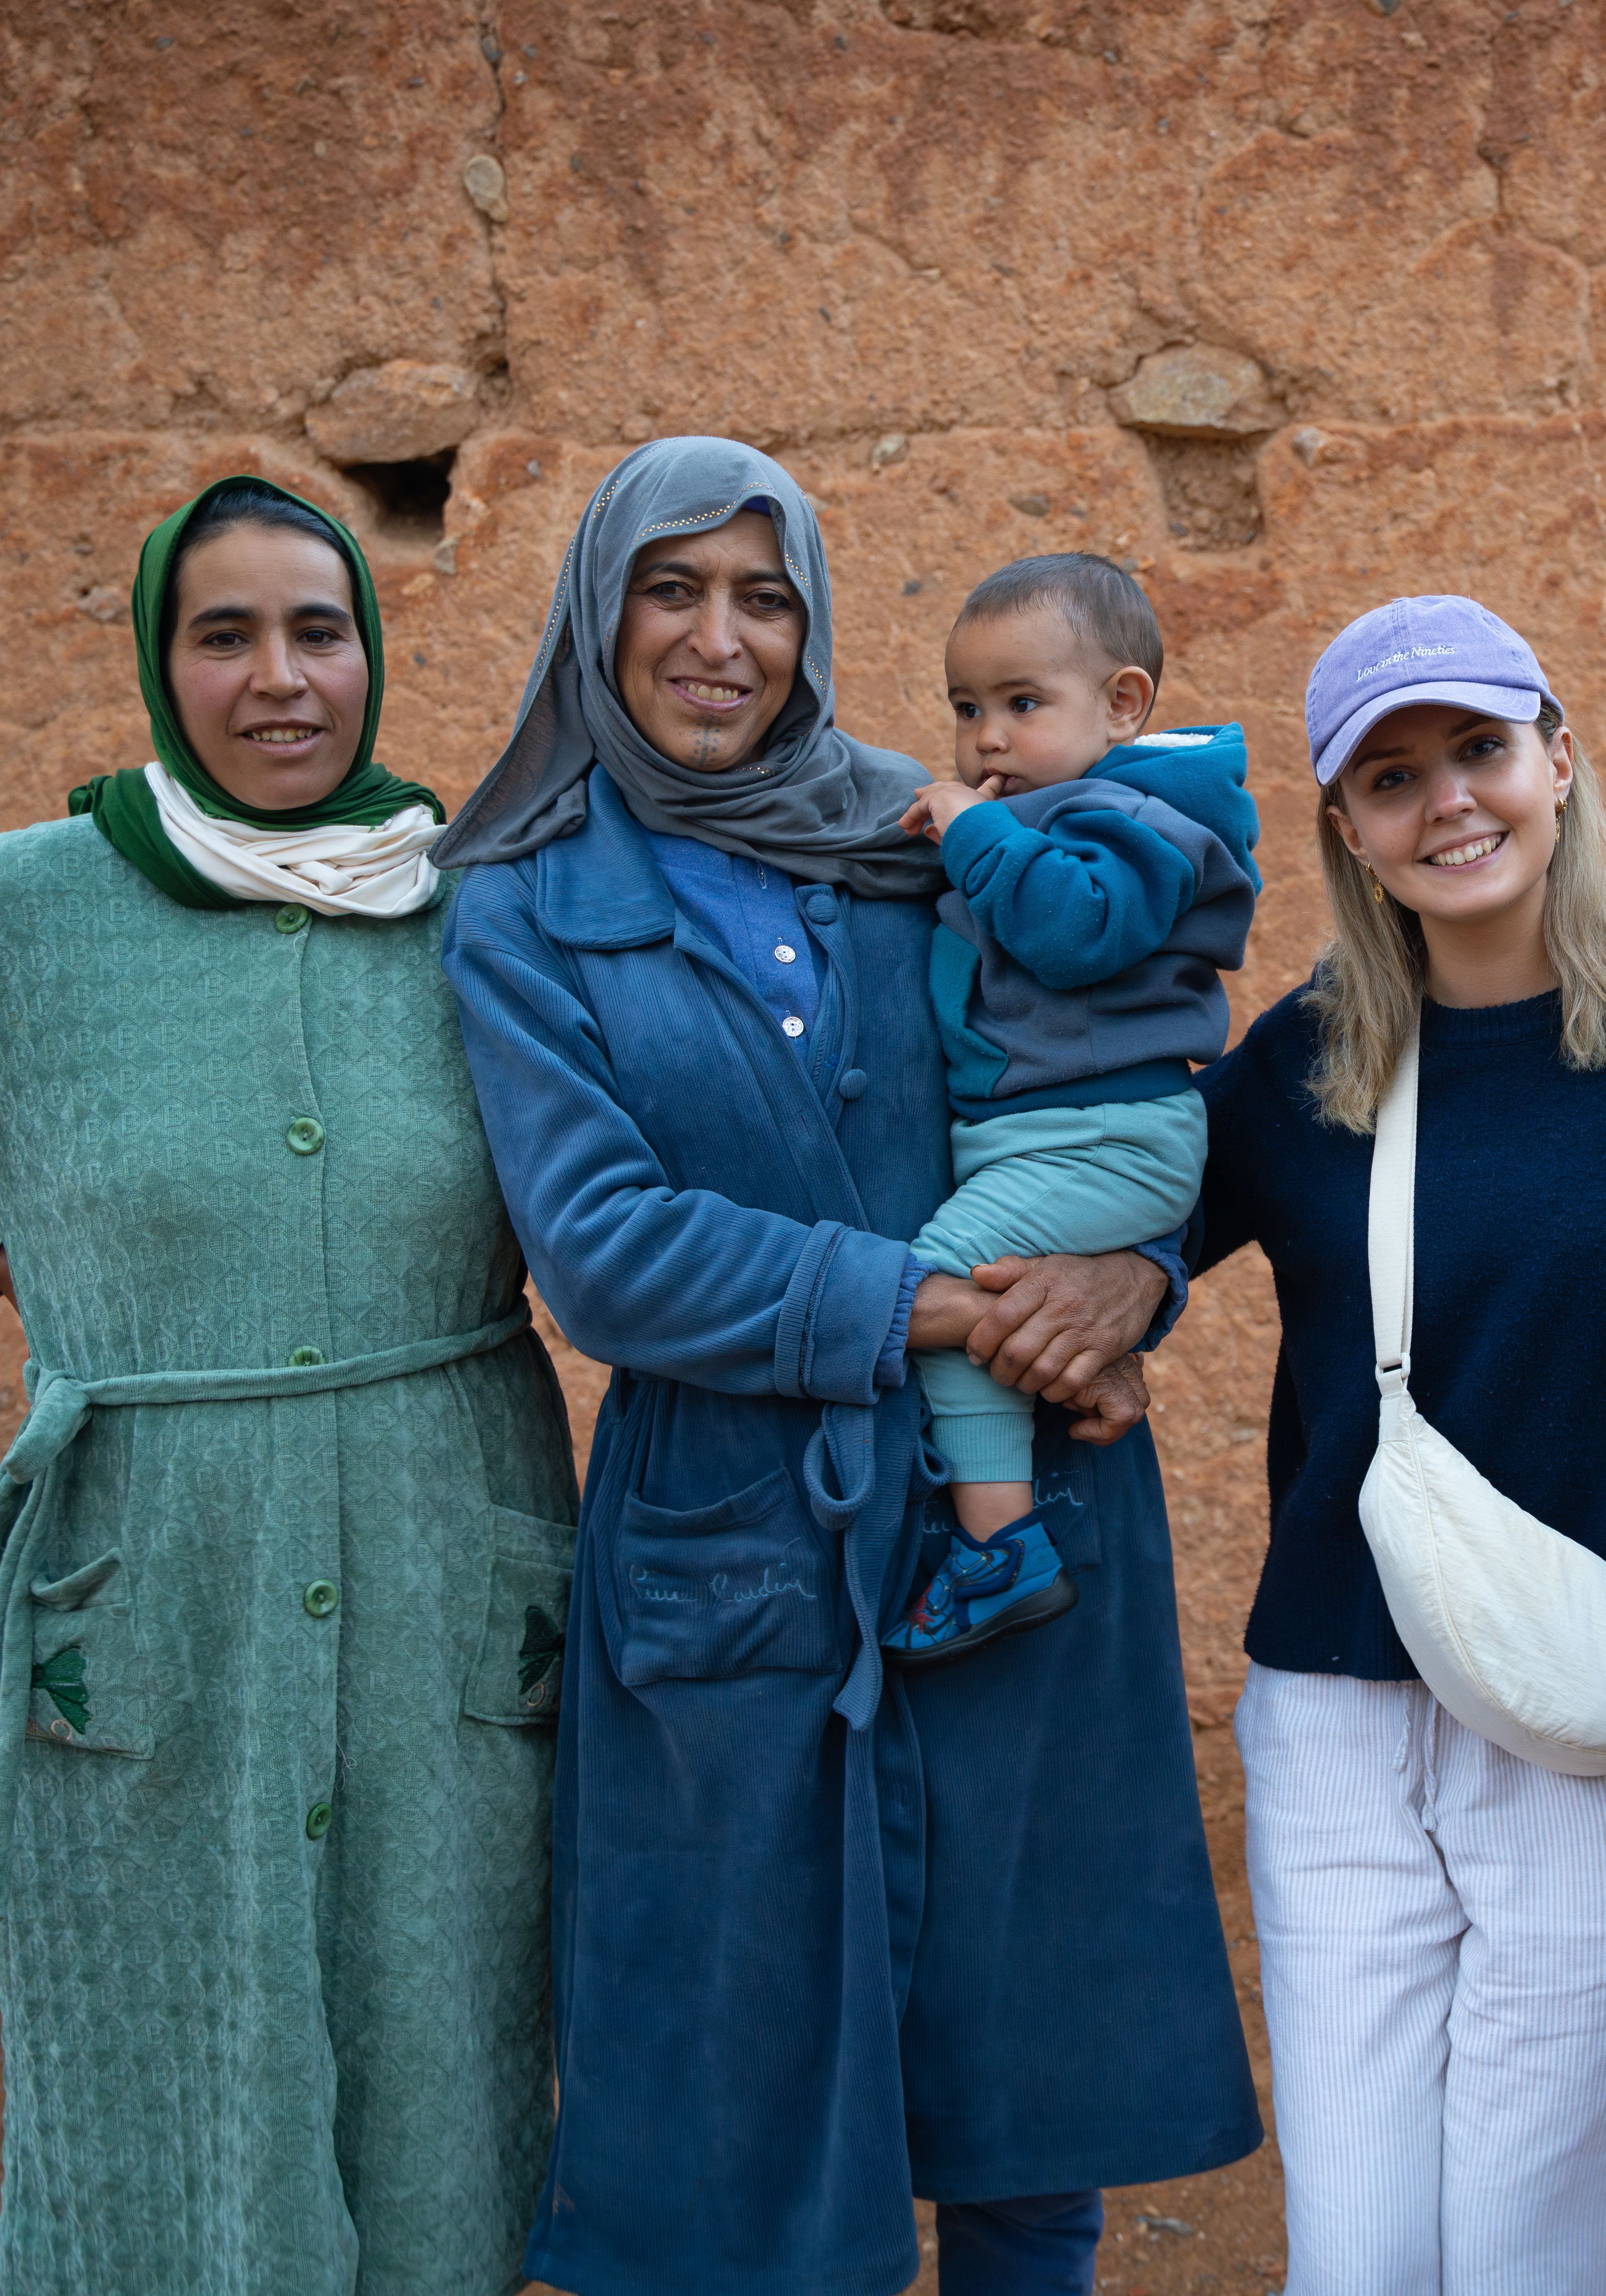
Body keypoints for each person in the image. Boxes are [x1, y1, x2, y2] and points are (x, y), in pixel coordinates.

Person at [0, 476, 579, 2296]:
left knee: (451, 2048)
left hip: (447, 1566)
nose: (279, 679)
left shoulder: (475, 897)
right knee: (165, 2071)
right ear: (159, 663)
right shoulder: (24, 907)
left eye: (318, 631)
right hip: (152, 1583)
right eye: (224, 634)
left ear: (372, 653)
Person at [430, 438, 1258, 2296]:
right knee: (743, 2116)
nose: (719, 639)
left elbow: (1110, 1079)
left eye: (764, 594)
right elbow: (607, 1251)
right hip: (734, 1543)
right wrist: (945, 1310)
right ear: (597, 613)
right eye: (672, 588)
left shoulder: (928, 825)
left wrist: (1134, 1268)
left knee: (1022, 2080)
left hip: (1017, 1501)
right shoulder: (524, 901)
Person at [1189, 595, 1606, 2292]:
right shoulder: (1307, 1060)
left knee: (1552, 2249)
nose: (1446, 801)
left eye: (1476, 751)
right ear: (1346, 830)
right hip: (1339, 1707)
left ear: (1558, 757)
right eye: (1390, 778)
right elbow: (1113, 1254)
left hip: (1597, 1710)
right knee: (1357, 2247)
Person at [885, 551, 1259, 1662]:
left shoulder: (1136, 813)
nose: (987, 738)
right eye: (967, 708)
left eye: (1021, 704)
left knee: (942, 1281)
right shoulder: (1058, 806)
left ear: (1124, 704)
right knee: (987, 1290)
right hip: (1064, 1140)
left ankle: (1001, 1550)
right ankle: (1071, 1390)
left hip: (1107, 1135)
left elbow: (1075, 925)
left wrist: (971, 832)